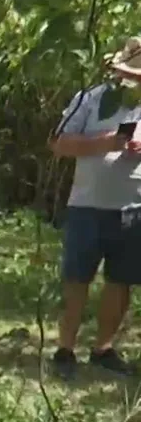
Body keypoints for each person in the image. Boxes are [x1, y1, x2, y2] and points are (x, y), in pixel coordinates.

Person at [49, 34, 141, 380]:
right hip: (87, 206)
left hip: (134, 209)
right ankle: (65, 348)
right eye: (133, 75)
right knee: (77, 279)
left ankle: (103, 348)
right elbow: (58, 143)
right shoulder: (91, 99)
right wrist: (108, 142)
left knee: (121, 282)